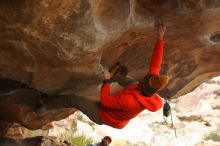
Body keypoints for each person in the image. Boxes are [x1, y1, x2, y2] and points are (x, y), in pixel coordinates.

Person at [40, 23, 169, 129]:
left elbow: (106, 102)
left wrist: (106, 81)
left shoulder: (129, 101)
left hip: (105, 116)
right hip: (134, 91)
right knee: (130, 82)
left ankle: (45, 104)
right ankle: (116, 76)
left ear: (144, 87)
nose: (145, 77)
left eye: (144, 80)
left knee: (73, 99)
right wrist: (160, 39)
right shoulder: (150, 86)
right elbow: (156, 64)